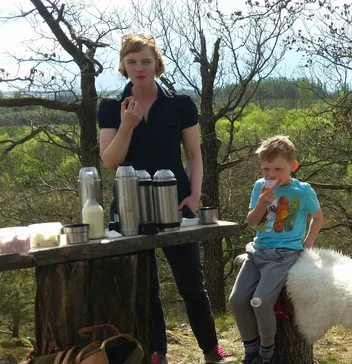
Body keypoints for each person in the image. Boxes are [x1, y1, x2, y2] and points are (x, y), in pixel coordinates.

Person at [98, 33, 232, 364]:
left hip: (177, 202)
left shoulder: (180, 104)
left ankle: (210, 348)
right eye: (132, 62)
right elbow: (110, 161)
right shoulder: (111, 107)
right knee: (146, 286)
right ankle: (157, 350)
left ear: (157, 64)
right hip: (129, 206)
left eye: (145, 61)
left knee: (191, 282)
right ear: (123, 66)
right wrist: (127, 125)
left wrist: (195, 194)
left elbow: (194, 155)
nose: (139, 68)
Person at [229, 135, 324, 364]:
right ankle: (250, 350)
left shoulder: (302, 191)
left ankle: (266, 353)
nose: (270, 175)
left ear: (293, 166)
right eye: (266, 169)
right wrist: (262, 203)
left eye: (278, 169)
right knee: (236, 300)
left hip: (284, 256)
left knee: (260, 302)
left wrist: (308, 244)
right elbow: (252, 222)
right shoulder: (259, 187)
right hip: (257, 252)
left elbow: (318, 217)